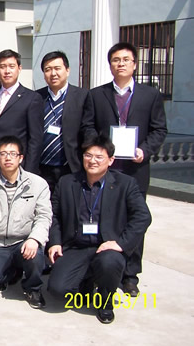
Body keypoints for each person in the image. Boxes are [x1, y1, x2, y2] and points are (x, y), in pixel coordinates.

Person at [89, 42, 167, 296]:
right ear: (110, 65)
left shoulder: (150, 95)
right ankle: (104, 268)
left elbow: (159, 129)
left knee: (134, 219)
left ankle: (130, 274)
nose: (120, 64)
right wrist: (98, 152)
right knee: (103, 216)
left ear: (134, 64)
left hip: (135, 169)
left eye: (125, 60)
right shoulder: (97, 95)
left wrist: (145, 149)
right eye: (116, 60)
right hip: (105, 169)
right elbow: (88, 127)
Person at [47, 135, 152, 324]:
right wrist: (55, 242)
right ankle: (87, 281)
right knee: (57, 290)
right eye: (88, 155)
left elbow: (143, 216)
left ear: (111, 160)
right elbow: (54, 215)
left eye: (99, 157)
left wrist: (121, 244)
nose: (92, 161)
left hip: (106, 246)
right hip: (76, 245)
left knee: (110, 263)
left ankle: (105, 303)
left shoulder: (125, 184)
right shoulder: (67, 182)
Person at [0, 136, 51, 308]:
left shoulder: (38, 184)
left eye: (12, 154)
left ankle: (33, 288)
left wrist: (35, 239)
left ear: (21, 158)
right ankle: (11, 272)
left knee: (35, 255)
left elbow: (44, 216)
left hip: (24, 242)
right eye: (3, 154)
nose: (8, 158)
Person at [36, 51, 94, 194]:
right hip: (42, 167)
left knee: (69, 202)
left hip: (71, 165)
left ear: (67, 70)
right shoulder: (37, 97)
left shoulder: (82, 96)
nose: (53, 73)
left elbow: (88, 127)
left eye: (57, 68)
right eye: (48, 69)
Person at [0, 49, 43, 174]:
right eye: (2, 67)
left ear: (19, 68)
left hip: (18, 165)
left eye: (11, 66)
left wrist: (29, 171)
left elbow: (35, 139)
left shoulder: (32, 98)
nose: (7, 71)